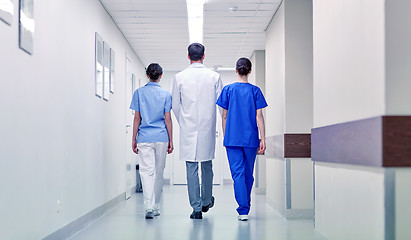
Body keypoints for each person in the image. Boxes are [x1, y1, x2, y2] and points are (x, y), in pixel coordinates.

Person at [172, 43, 223, 219]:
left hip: (188, 128)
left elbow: (175, 105)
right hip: (207, 128)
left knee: (191, 167)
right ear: (203, 56)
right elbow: (221, 105)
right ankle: (207, 200)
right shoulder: (214, 77)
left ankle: (196, 208)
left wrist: (184, 122)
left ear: (188, 56)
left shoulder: (179, 77)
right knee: (207, 164)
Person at [216, 57, 267, 221]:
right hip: (251, 139)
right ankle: (245, 205)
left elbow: (224, 116)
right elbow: (259, 116)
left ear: (236, 70)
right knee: (248, 175)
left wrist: (226, 135)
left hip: (232, 140)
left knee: (237, 174)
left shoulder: (228, 90)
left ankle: (243, 209)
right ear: (250, 71)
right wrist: (263, 139)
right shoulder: (255, 91)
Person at [130, 63, 173, 219]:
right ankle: (155, 207)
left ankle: (148, 206)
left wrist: (133, 138)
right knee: (158, 172)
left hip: (144, 138)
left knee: (147, 172)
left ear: (147, 75)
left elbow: (137, 118)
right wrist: (171, 140)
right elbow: (168, 119)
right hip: (161, 137)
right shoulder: (166, 95)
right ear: (160, 76)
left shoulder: (139, 93)